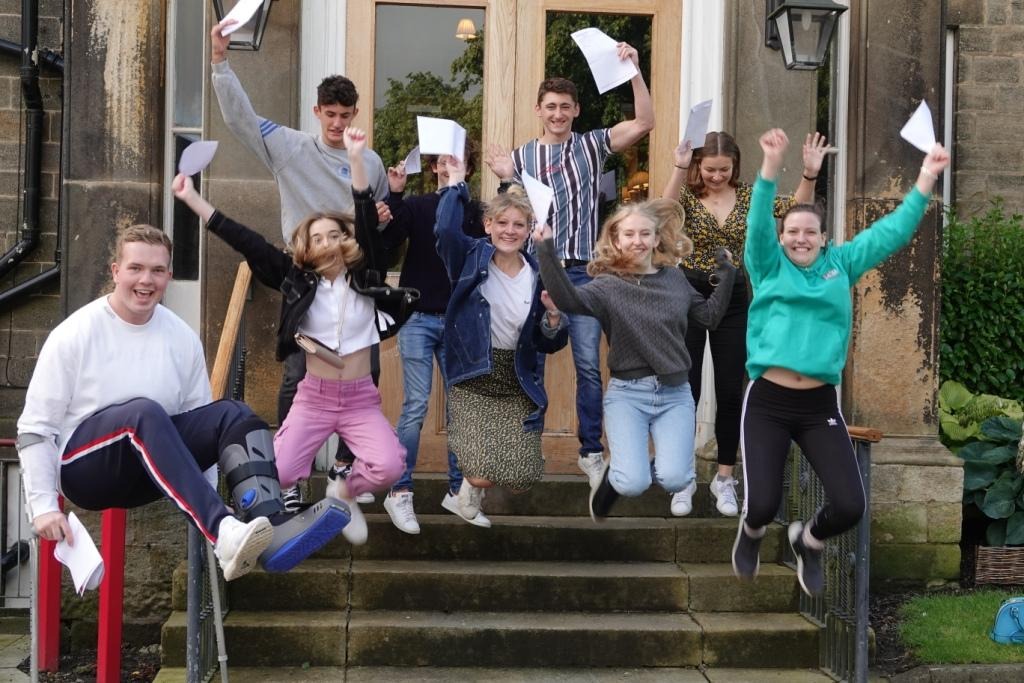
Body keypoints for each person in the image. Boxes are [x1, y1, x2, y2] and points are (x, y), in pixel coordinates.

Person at [16, 225, 351, 581]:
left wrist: (205, 497)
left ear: (169, 276)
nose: (146, 280)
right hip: (84, 472)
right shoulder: (74, 334)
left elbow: (199, 430)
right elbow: (35, 429)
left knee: (233, 414)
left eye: (157, 271)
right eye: (135, 268)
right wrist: (42, 507)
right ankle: (223, 532)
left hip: (149, 470)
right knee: (142, 413)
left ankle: (270, 526)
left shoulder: (181, 338)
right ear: (116, 271)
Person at [732, 128, 949, 596]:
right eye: (792, 232)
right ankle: (749, 534)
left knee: (851, 505)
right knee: (763, 504)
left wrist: (926, 177)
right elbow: (756, 224)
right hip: (767, 401)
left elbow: (891, 232)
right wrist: (770, 165)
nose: (801, 239)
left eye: (810, 232)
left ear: (824, 237)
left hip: (818, 405)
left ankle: (809, 541)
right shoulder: (768, 264)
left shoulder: (842, 263)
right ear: (782, 236)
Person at [173, 127, 416, 546]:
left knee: (389, 466)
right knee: (278, 472)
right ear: (305, 246)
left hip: (360, 399)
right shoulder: (295, 280)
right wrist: (192, 199)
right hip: (315, 397)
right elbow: (245, 239)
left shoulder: (366, 276)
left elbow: (362, 211)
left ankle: (344, 492)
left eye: (334, 235)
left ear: (347, 241)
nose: (326, 243)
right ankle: (253, 526)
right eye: (317, 237)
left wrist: (357, 158)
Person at [210, 18, 388, 503]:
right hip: (303, 274)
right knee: (297, 374)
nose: (337, 123)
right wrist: (221, 62)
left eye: (345, 114)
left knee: (366, 372)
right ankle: (292, 478)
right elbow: (241, 120)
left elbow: (376, 222)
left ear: (355, 113)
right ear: (317, 111)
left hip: (352, 278)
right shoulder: (289, 146)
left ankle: (346, 469)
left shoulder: (368, 163)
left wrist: (384, 210)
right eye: (329, 114)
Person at [485, 42, 654, 491]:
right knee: (528, 359)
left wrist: (633, 69)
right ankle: (525, 445)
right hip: (534, 271)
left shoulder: (592, 145)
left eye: (565, 107)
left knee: (586, 362)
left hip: (583, 273)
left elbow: (644, 122)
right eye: (550, 107)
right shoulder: (520, 158)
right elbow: (511, 219)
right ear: (538, 110)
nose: (558, 114)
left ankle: (591, 451)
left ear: (576, 110)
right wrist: (506, 176)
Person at [659, 131, 828, 517]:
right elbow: (663, 211)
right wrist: (679, 166)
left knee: (731, 390)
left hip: (733, 296)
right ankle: (682, 479)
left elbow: (795, 207)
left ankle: (724, 478)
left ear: (735, 167)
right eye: (711, 169)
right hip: (688, 293)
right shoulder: (687, 195)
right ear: (700, 167)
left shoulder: (751, 195)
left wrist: (809, 172)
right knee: (686, 389)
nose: (717, 176)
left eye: (725, 169)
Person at [536, 200, 736, 520]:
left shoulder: (674, 279)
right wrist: (545, 249)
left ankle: (632, 464)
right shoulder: (607, 286)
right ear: (616, 239)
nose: (637, 241)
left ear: (657, 238)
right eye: (629, 234)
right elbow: (567, 299)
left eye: (645, 233)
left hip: (675, 394)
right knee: (633, 484)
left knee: (676, 478)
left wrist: (727, 275)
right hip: (628, 394)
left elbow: (709, 317)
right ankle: (615, 479)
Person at [436, 157, 568, 519]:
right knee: (479, 478)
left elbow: (551, 343)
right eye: (502, 223)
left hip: (519, 376)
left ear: (530, 230)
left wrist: (554, 317)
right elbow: (446, 232)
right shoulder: (470, 257)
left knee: (521, 478)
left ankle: (490, 456)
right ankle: (469, 481)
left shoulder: (540, 271)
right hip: (474, 372)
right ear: (487, 225)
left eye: (518, 225)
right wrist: (455, 184)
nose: (509, 231)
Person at [380, 146, 490, 533]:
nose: (447, 166)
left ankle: (459, 491)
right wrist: (394, 194)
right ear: (431, 167)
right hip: (418, 319)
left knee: (462, 409)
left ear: (469, 168)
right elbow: (388, 242)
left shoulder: (475, 212)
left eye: (457, 160)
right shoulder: (417, 205)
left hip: (459, 321)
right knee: (414, 406)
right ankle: (400, 492)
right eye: (441, 160)